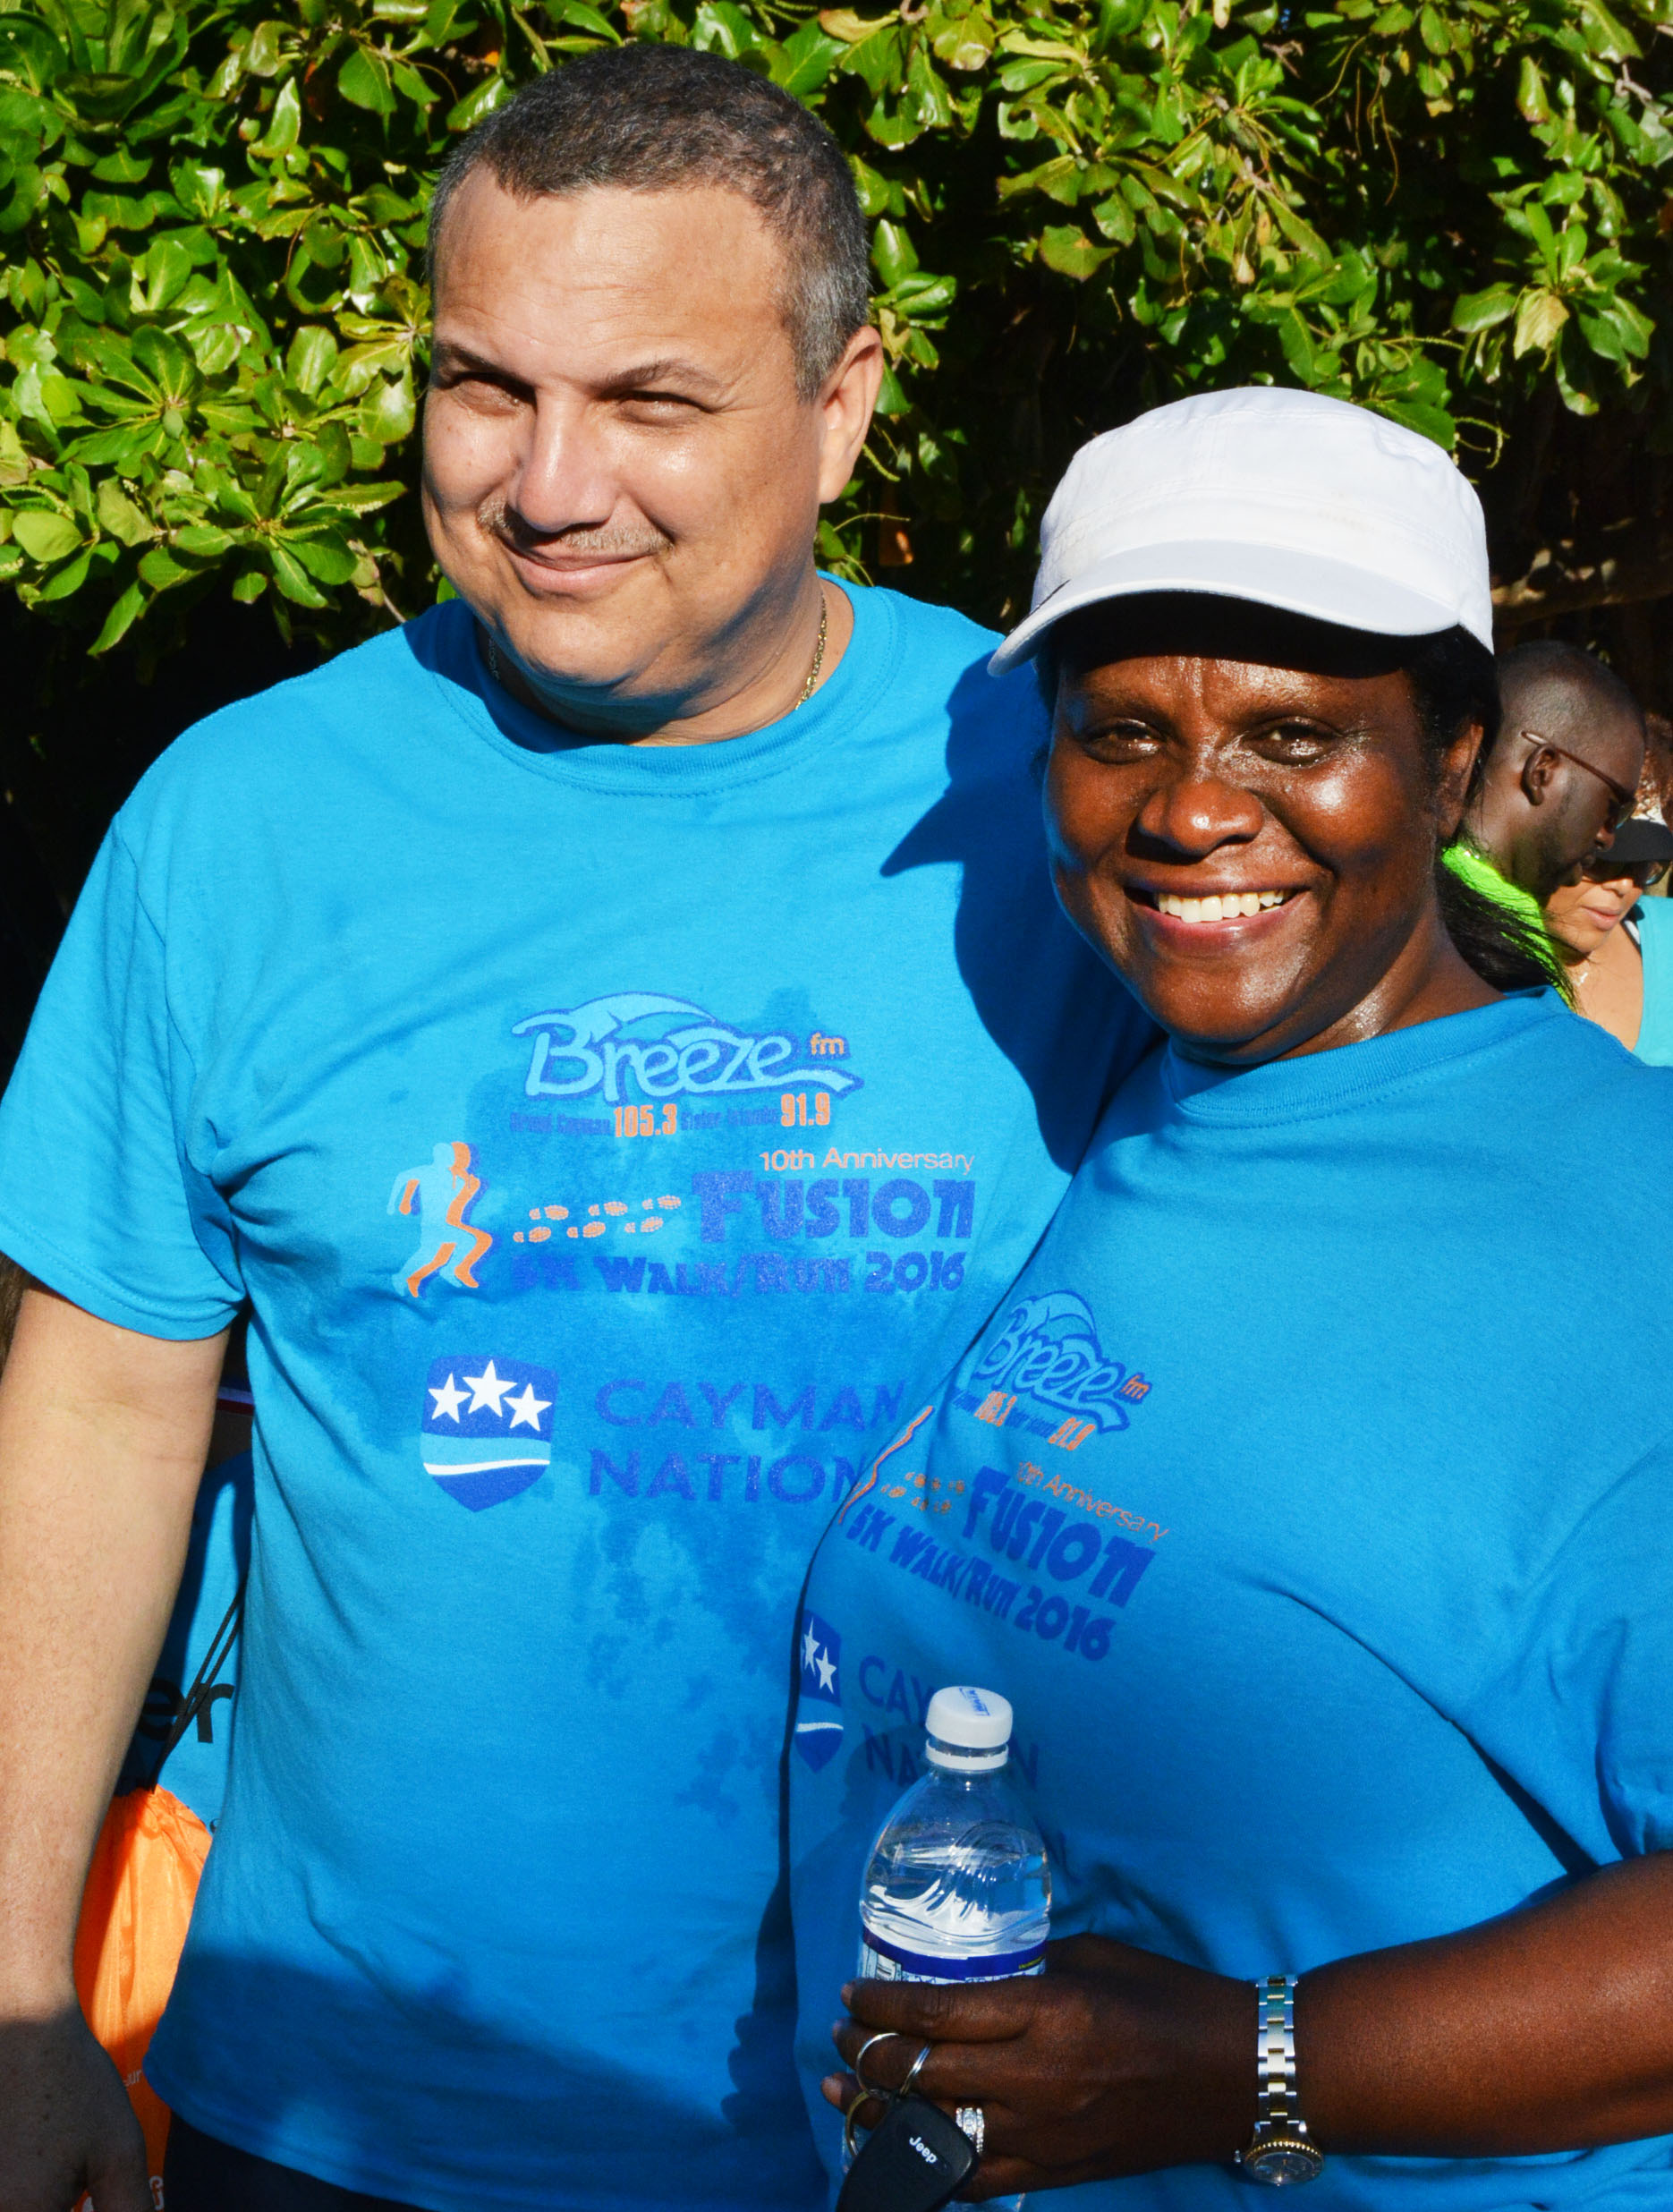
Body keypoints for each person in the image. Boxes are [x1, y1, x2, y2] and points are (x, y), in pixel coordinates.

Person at [0, 47, 1153, 2212]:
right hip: (348, 2109)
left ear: (841, 405)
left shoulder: (1060, 792)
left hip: (949, 2101)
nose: (546, 484)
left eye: (647, 400)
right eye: (482, 386)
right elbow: (101, 1402)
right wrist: (16, 1998)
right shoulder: (239, 823)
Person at [786, 387, 1673, 2210]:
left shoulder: (1625, 1223)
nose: (1192, 808)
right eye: (1120, 730)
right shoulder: (1120, 1098)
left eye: (1293, 734)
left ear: (1451, 762)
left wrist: (1244, 2065)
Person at [1461, 638, 1645, 906]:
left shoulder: (1415, 874)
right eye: (1613, 807)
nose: (1607, 838)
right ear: (1541, 771)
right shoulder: (1489, 920)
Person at [1543, 815, 1673, 1063]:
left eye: (1641, 868)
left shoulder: (1666, 929)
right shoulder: (1476, 961)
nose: (1624, 885)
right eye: (1595, 862)